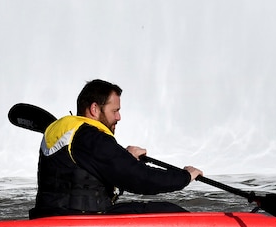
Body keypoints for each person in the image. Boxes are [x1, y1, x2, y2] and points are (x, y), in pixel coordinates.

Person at [30, 79, 203, 219]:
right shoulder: (92, 137)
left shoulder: (66, 131)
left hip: (49, 216)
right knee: (170, 211)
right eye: (115, 111)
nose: (119, 117)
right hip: (82, 219)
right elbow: (141, 179)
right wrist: (185, 176)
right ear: (94, 109)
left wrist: (125, 157)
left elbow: (87, 169)